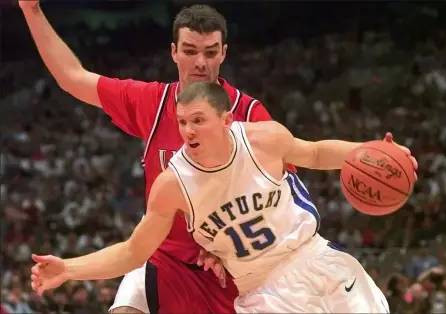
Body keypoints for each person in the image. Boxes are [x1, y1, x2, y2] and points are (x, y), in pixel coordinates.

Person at [31, 81, 418, 313]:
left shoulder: (263, 139)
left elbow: (315, 152)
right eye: (182, 122)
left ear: (227, 120)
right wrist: (69, 269)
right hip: (262, 291)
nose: (188, 130)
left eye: (198, 120)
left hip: (317, 259)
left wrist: (372, 152)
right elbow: (134, 252)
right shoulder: (173, 185)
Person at [19, 1, 283, 313]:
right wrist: (31, 10)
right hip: (162, 259)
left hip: (233, 273)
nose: (201, 61)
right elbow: (71, 76)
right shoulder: (153, 102)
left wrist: (232, 242)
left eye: (210, 52)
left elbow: (284, 200)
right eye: (190, 50)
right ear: (174, 52)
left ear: (223, 53)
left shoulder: (250, 114)